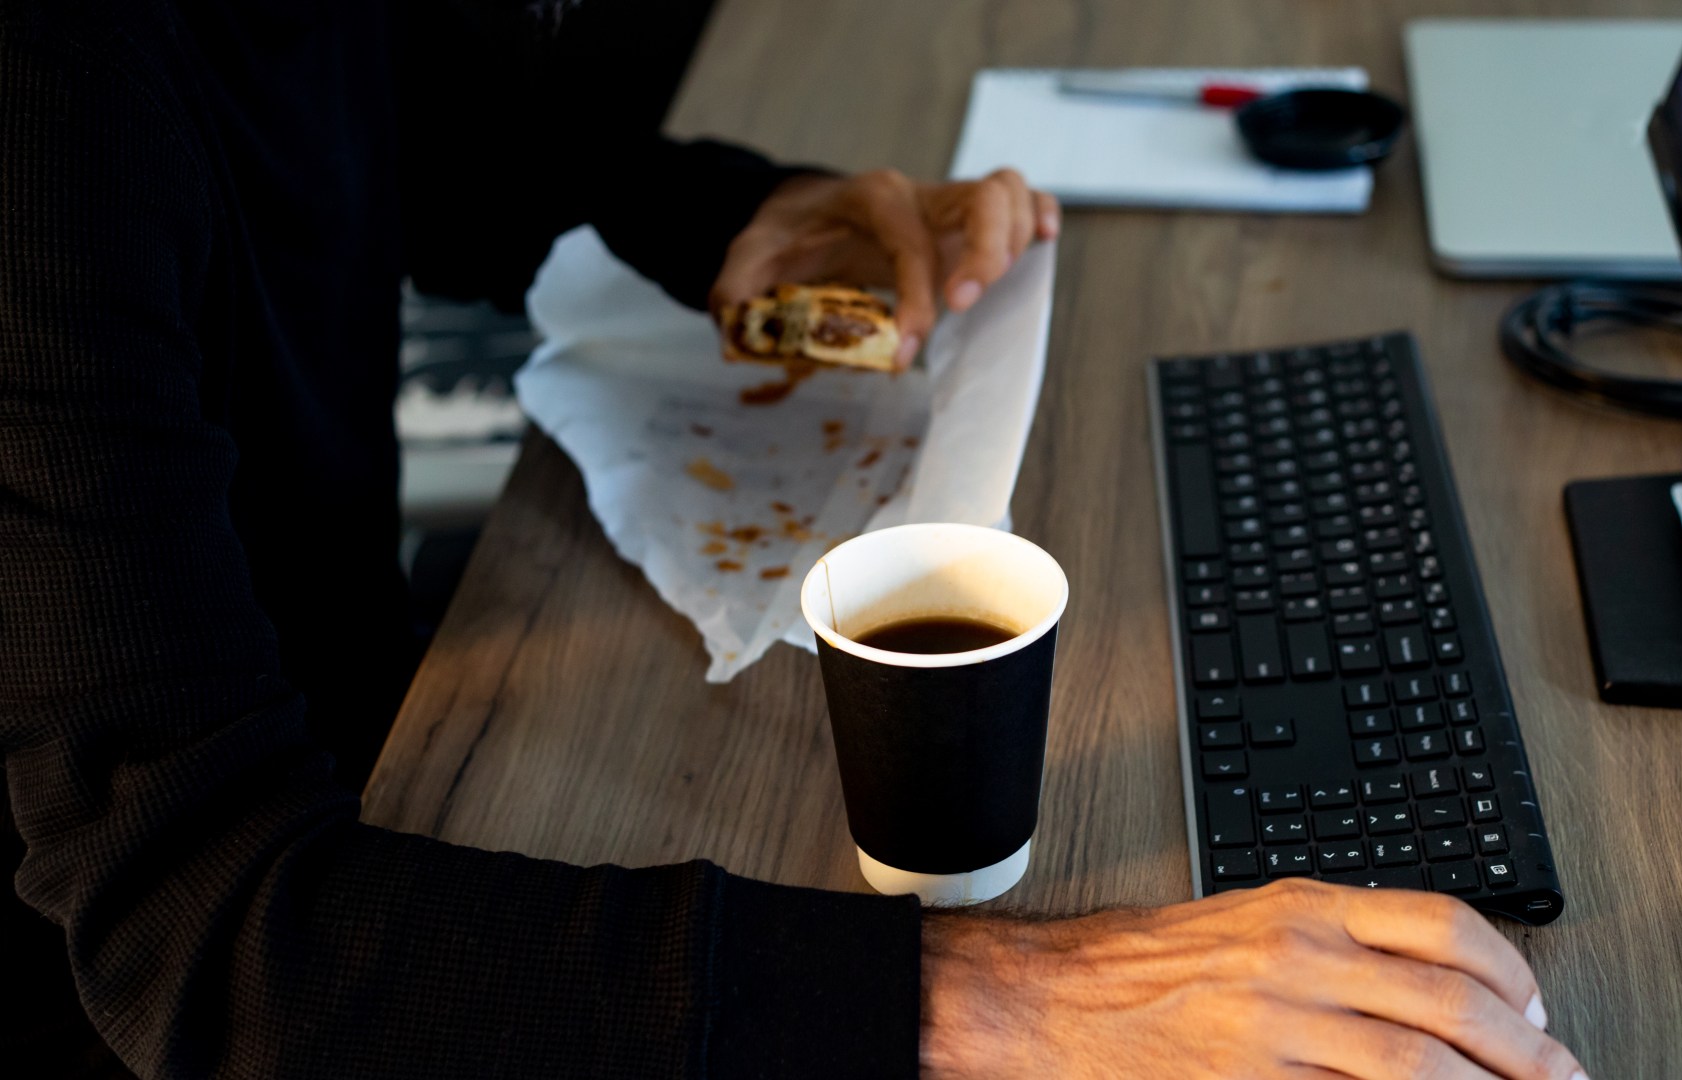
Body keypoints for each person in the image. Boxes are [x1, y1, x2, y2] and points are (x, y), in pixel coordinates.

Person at [0, 1, 1588, 1077]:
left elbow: (414, 136)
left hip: (360, 729)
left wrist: (734, 221)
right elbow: (202, 936)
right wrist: (995, 998)